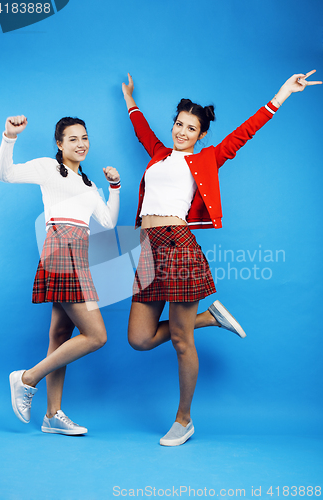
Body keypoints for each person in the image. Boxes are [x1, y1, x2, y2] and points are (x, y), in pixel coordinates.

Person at [122, 70, 321, 446]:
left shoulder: (207, 159)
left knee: (182, 340)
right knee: (139, 338)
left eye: (190, 128)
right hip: (147, 249)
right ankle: (211, 317)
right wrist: (130, 99)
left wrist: (282, 94)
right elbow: (141, 129)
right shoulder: (158, 155)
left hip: (178, 244)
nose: (181, 132)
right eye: (179, 124)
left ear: (201, 135)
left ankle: (183, 420)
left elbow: (244, 135)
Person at [0, 115, 121, 435]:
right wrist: (9, 137)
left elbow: (106, 222)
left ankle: (52, 415)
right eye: (73, 139)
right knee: (96, 336)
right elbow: (4, 174)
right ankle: (26, 378)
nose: (81, 144)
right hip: (60, 249)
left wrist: (115, 188)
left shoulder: (88, 185)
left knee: (59, 335)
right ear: (59, 144)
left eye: (85, 138)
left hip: (79, 254)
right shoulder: (48, 168)